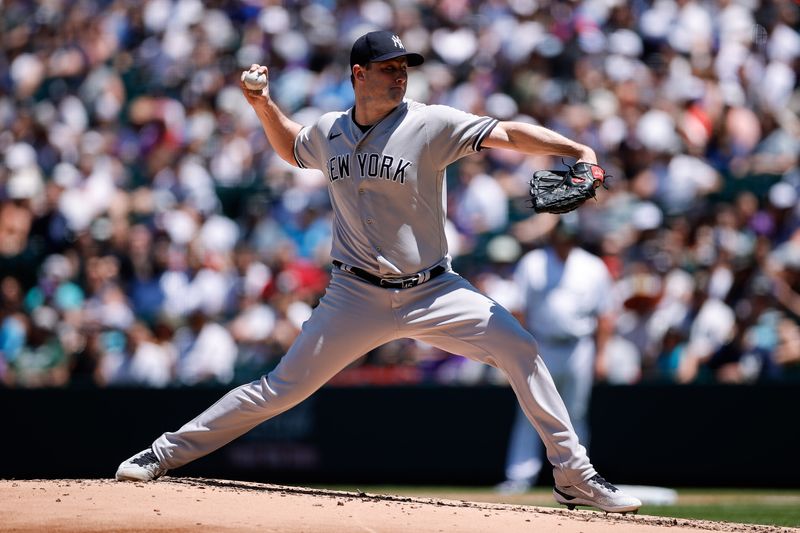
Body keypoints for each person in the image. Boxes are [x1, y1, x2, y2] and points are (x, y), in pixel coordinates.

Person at [115, 30, 641, 514]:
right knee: (278, 390)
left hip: (434, 289)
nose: (400, 74)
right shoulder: (331, 132)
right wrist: (262, 105)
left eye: (403, 67)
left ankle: (574, 475)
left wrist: (574, 149)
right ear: (358, 74)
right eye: (388, 66)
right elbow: (293, 147)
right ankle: (160, 455)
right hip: (354, 296)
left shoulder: (429, 123)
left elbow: (506, 133)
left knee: (519, 347)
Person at [496, 215, 615, 494]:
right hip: (541, 345)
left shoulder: (592, 266)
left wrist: (601, 355)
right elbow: (518, 309)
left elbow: (605, 315)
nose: (564, 244)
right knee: (529, 410)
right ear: (553, 238)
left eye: (569, 239)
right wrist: (520, 349)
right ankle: (519, 476)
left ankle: (579, 477)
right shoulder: (533, 263)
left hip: (579, 346)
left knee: (575, 413)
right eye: (561, 238)